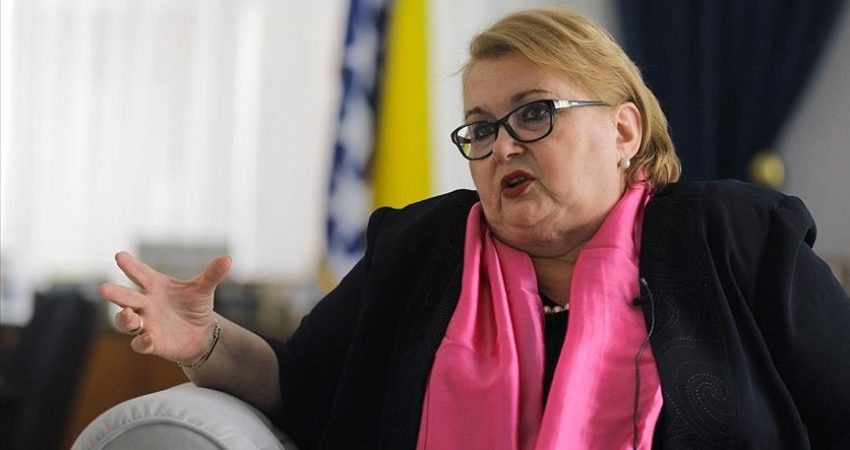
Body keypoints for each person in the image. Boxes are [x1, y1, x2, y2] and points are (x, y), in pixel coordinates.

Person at [98, 6, 850, 449]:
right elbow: (301, 388)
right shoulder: (420, 248)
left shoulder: (735, 236)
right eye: (481, 128)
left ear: (624, 131)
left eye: (535, 113)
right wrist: (205, 341)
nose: (503, 146)